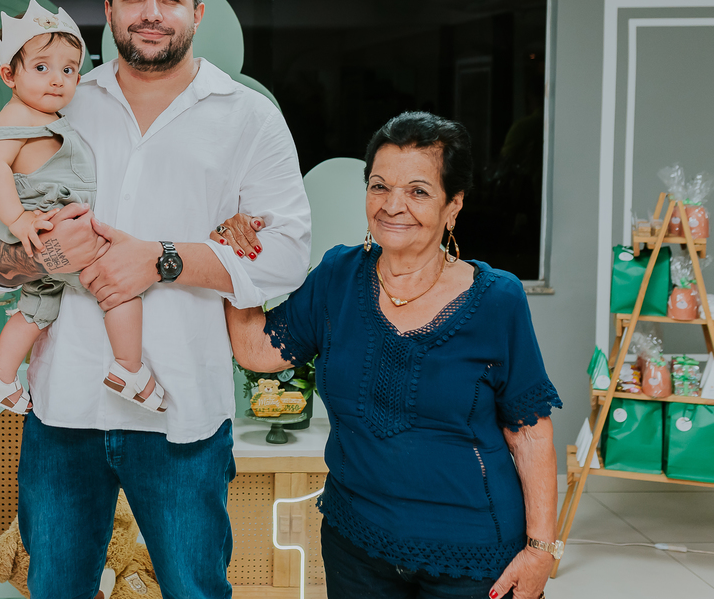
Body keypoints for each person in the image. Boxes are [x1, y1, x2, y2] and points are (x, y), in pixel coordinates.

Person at [0, 0, 311, 598]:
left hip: (180, 413)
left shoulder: (246, 117)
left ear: (197, 12)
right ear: (109, 11)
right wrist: (28, 254)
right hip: (64, 407)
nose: (151, 11)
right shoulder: (62, 97)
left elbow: (289, 250)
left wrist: (163, 259)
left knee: (193, 589)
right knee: (56, 588)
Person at [219, 111, 561, 599]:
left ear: (453, 206)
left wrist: (541, 550)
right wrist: (235, 258)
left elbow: (529, 429)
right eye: (379, 186)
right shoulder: (338, 276)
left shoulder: (497, 298)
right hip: (357, 542)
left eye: (418, 191)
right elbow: (257, 349)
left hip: (474, 555)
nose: (392, 205)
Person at [0, 0, 166, 414]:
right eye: (41, 68)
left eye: (68, 69)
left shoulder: (42, 114)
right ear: (10, 74)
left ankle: (1, 376)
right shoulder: (17, 117)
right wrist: (18, 218)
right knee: (117, 287)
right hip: (46, 224)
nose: (57, 80)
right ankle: (128, 368)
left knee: (37, 306)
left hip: (49, 225)